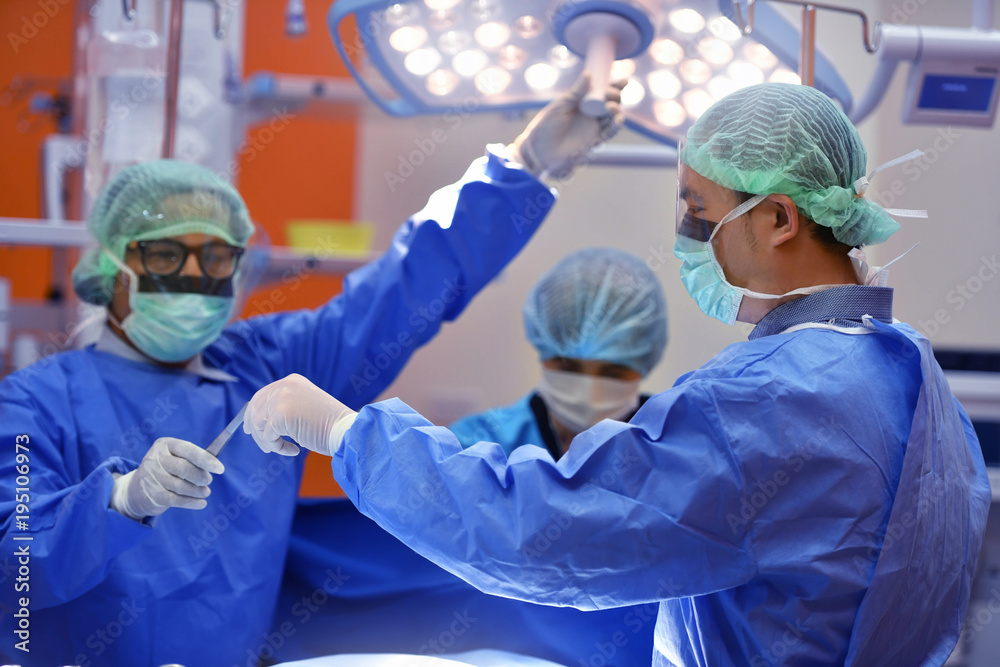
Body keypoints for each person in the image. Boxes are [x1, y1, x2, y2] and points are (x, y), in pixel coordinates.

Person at [242, 82, 991, 666]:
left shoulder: (775, 397)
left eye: (699, 212)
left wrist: (345, 432)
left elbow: (534, 535)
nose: (687, 236)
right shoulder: (912, 371)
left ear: (780, 220)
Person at [0, 75, 625, 666]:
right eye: (165, 254)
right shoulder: (34, 404)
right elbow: (12, 574)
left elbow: (405, 289)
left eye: (216, 258)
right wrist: (120, 498)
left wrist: (523, 166)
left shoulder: (267, 368)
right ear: (112, 268)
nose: (193, 279)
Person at [450, 247, 668, 460]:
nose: (589, 392)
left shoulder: (674, 449)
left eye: (613, 372)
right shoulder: (475, 447)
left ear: (645, 360)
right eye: (568, 367)